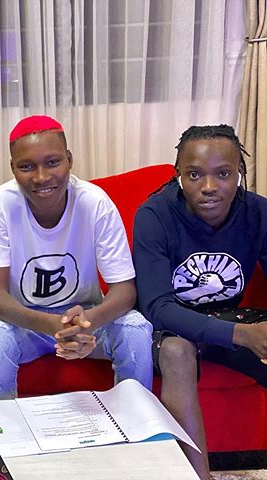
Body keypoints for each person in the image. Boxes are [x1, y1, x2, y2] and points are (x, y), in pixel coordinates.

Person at [0, 115, 153, 400]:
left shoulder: (94, 201)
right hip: (26, 321)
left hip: (85, 317)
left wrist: (85, 324)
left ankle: (136, 419)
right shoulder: (0, 203)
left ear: (69, 159)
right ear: (12, 168)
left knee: (136, 328)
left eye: (52, 162)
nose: (41, 177)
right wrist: (54, 326)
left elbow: (124, 291)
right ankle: (1, 424)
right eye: (26, 166)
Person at [133, 124, 267, 479]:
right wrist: (242, 335)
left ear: (240, 172)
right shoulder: (154, 215)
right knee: (177, 353)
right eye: (194, 175)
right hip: (169, 328)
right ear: (178, 173)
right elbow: (157, 307)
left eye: (223, 174)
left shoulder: (258, 213)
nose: (209, 186)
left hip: (227, 318)